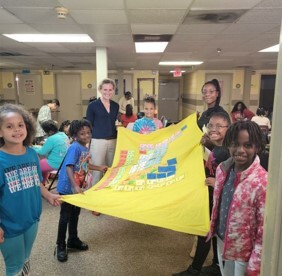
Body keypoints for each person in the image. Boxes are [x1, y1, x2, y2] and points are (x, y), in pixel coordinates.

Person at [0, 103, 60, 276]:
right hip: (9, 224)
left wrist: (48, 195)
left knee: (25, 258)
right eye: (9, 126)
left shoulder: (32, 154)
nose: (17, 130)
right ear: (0, 132)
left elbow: (36, 181)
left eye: (20, 125)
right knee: (14, 266)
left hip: (32, 218)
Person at [173, 112, 231, 276]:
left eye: (219, 126)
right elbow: (214, 156)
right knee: (210, 233)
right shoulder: (218, 147)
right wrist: (208, 144)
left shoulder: (230, 150)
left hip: (220, 199)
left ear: (228, 128)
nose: (214, 129)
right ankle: (216, 266)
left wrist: (218, 182)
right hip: (210, 196)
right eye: (211, 125)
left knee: (205, 231)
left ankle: (196, 270)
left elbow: (236, 179)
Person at [208, 120, 267, 275]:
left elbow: (263, 228)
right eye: (235, 144)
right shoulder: (222, 170)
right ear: (228, 145)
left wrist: (255, 263)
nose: (240, 150)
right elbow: (219, 204)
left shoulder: (262, 181)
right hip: (222, 239)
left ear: (257, 147)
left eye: (247, 145)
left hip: (245, 252)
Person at [55, 119, 107, 262]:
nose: (86, 135)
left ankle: (73, 239)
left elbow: (84, 165)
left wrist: (99, 167)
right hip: (68, 188)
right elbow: (69, 167)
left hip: (78, 187)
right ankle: (60, 245)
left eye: (88, 132)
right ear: (75, 135)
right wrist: (75, 186)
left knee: (75, 215)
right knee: (65, 216)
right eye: (82, 133)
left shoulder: (85, 147)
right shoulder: (75, 147)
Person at [86, 78, 119, 187]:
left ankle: (108, 195)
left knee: (111, 170)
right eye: (105, 89)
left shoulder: (115, 106)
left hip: (113, 141)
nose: (107, 92)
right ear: (100, 90)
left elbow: (113, 122)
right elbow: (88, 126)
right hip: (98, 141)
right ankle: (94, 196)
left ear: (113, 90)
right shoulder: (93, 106)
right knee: (98, 171)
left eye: (110, 90)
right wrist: (87, 145)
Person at [33, 120, 69, 186]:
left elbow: (42, 152)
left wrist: (33, 147)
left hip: (54, 164)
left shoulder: (52, 138)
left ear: (49, 131)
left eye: (45, 131)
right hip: (63, 163)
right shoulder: (64, 135)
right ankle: (43, 182)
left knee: (34, 165)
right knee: (43, 163)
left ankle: (39, 185)